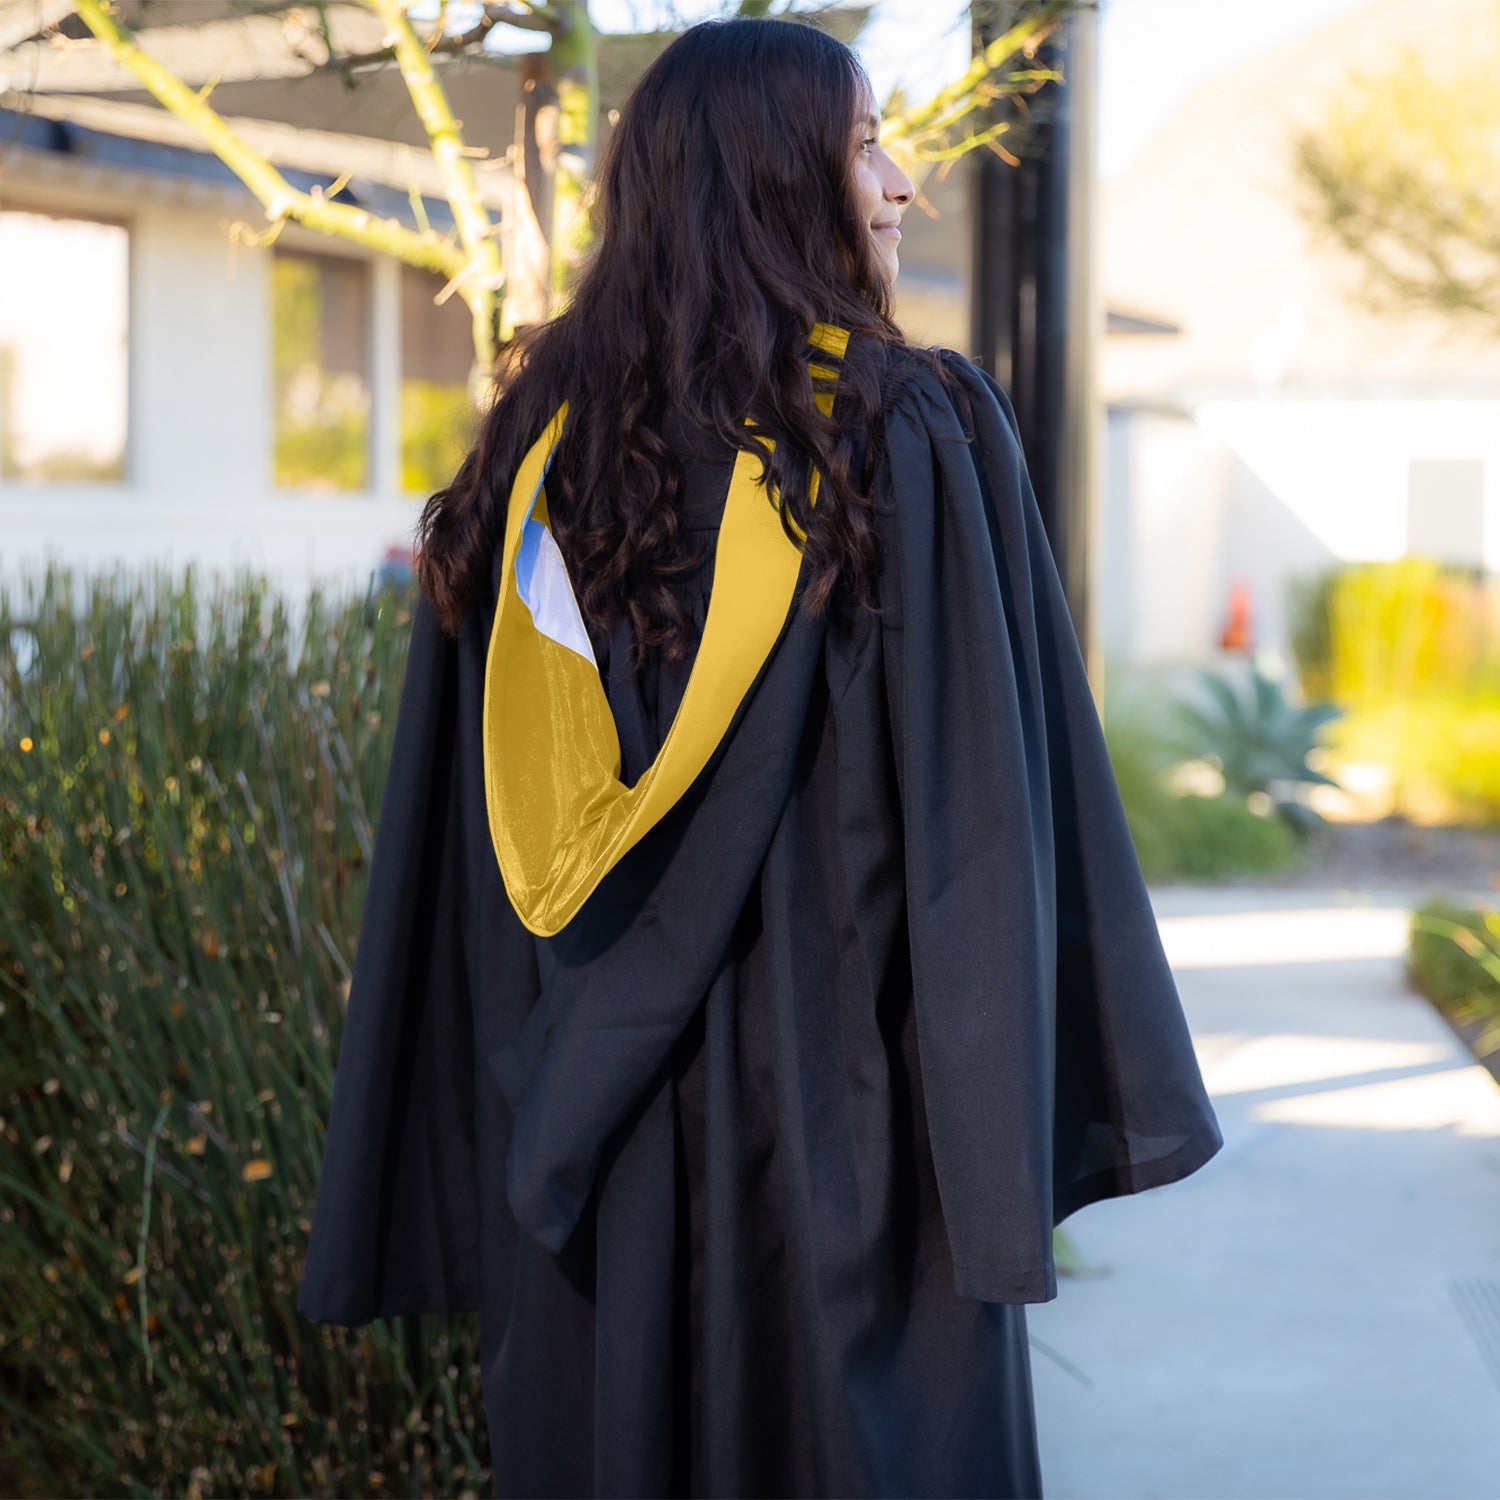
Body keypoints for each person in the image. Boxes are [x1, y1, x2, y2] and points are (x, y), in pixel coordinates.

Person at [296, 16, 1224, 1500]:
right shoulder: (903, 431)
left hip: (587, 1149)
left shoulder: (533, 459)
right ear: (772, 179)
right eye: (864, 143)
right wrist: (993, 1176)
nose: (902, 182)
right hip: (844, 1153)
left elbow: (475, 870)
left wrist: (510, 1128)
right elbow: (984, 831)